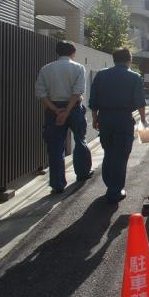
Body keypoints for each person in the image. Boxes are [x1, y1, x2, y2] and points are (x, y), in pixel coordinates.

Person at [89, 47, 147, 203]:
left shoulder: (101, 75)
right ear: (130, 60)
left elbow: (93, 99)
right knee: (121, 154)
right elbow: (140, 102)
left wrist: (95, 119)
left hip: (105, 118)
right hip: (123, 119)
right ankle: (115, 190)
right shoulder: (134, 77)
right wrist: (143, 119)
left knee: (108, 152)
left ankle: (110, 185)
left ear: (114, 59)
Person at [35, 40, 93, 194]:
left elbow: (40, 93)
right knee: (80, 140)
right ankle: (82, 173)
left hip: (53, 109)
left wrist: (56, 110)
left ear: (58, 52)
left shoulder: (46, 69)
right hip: (73, 108)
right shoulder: (78, 67)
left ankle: (57, 184)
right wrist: (67, 110)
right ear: (72, 52)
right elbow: (78, 91)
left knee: (55, 146)